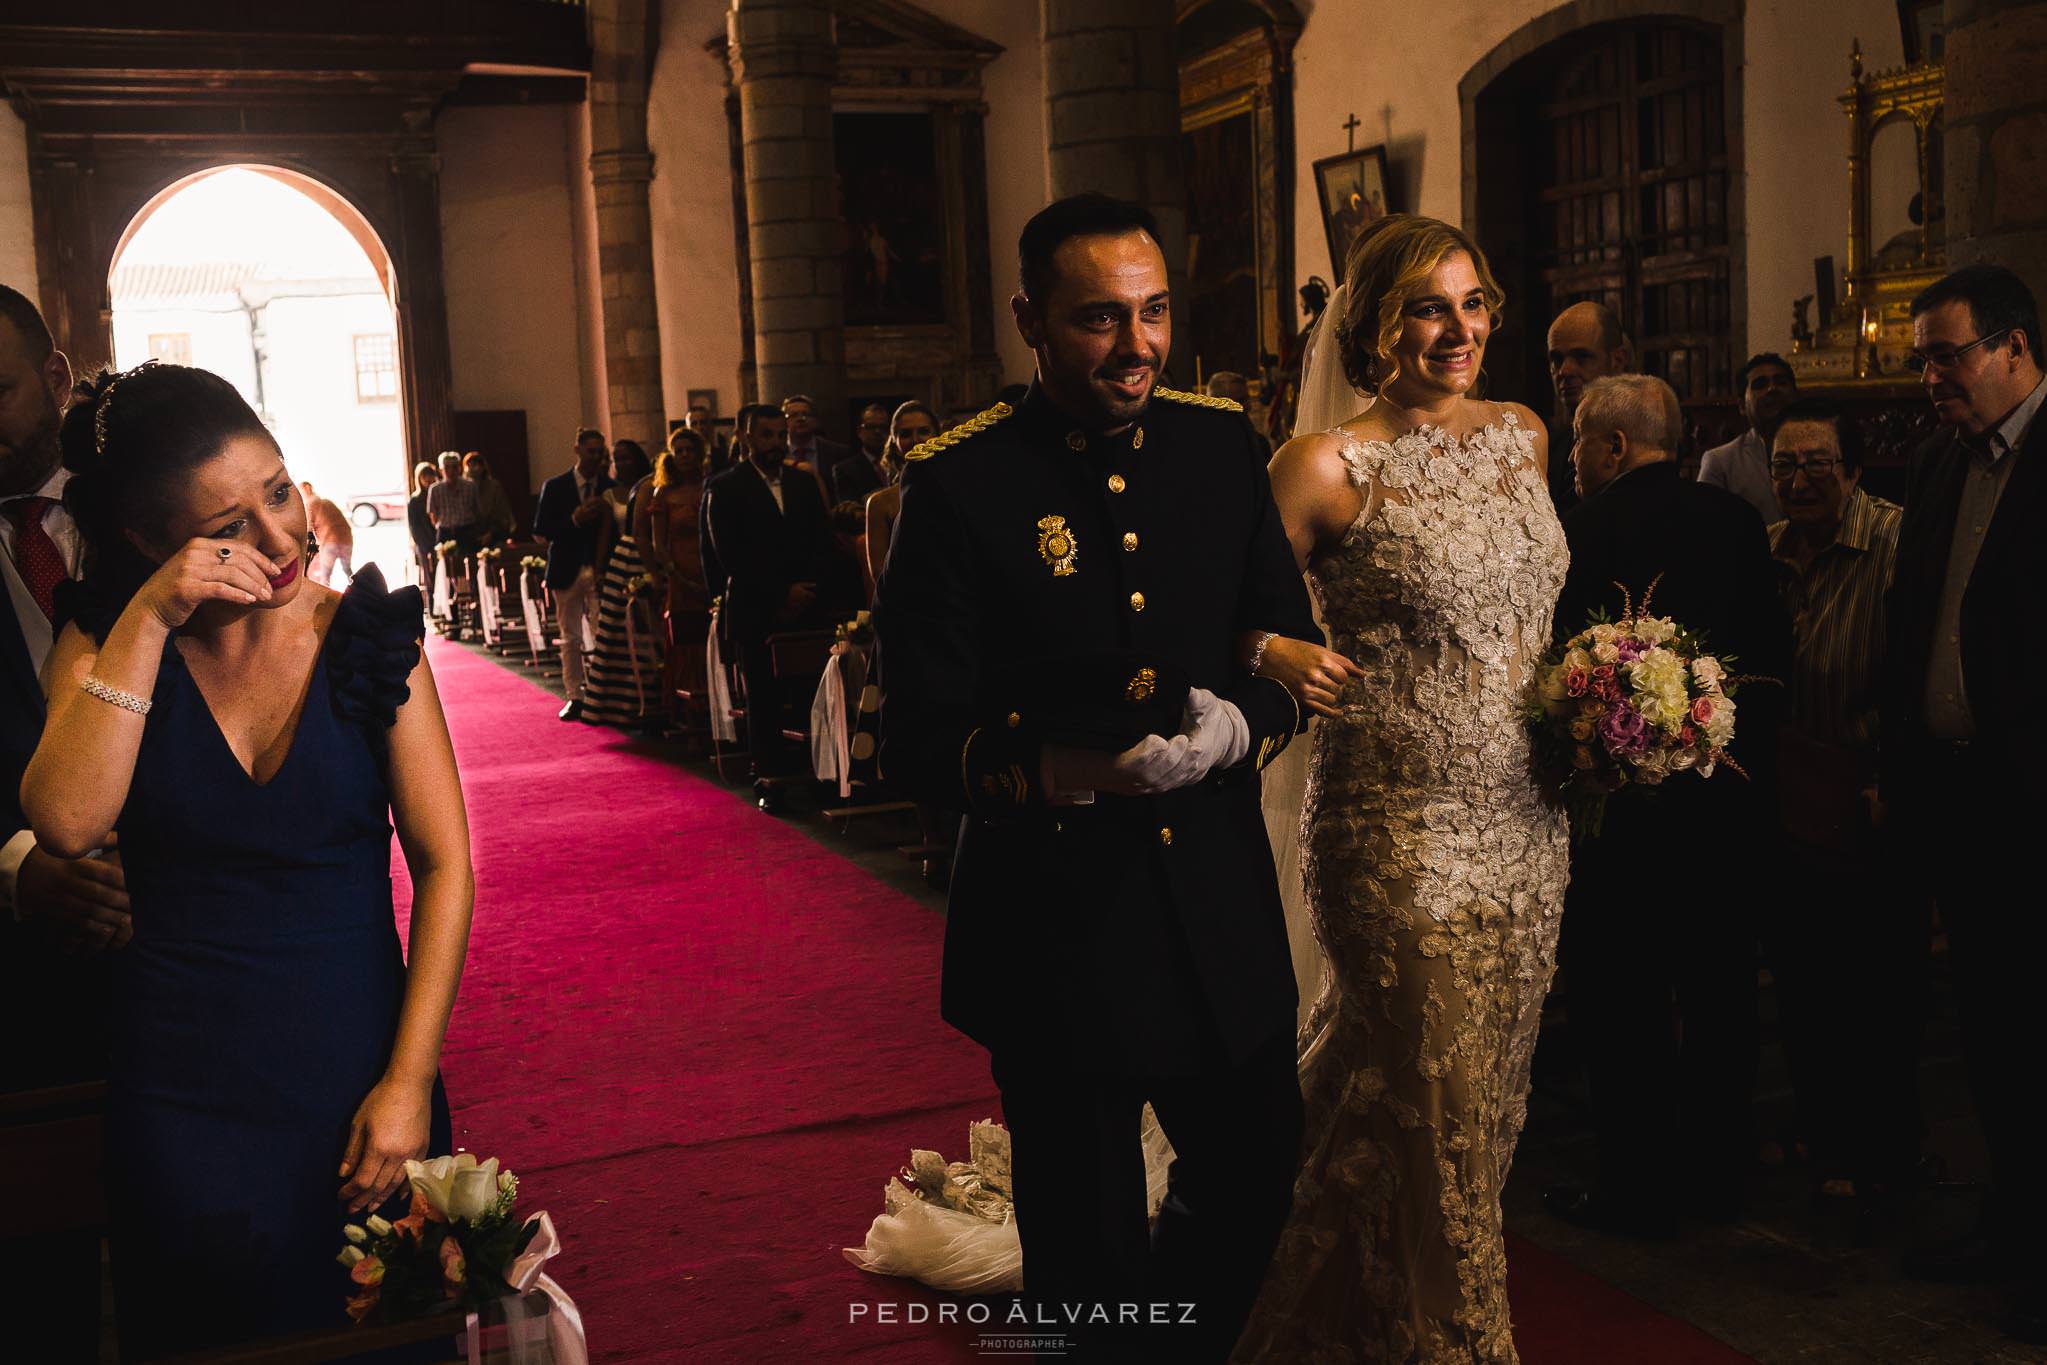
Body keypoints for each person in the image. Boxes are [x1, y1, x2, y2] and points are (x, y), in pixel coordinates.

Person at [876, 193, 1324, 1363]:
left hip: (1215, 913)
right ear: (1029, 320)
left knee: (1253, 1176)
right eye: (1098, 320)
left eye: (1154, 313)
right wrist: (1066, 769)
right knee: (1083, 1253)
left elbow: (1278, 642)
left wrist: (1240, 730)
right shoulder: (960, 484)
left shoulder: (1217, 446)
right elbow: (916, 738)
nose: (1136, 348)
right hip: (1056, 927)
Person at [22, 359, 471, 1356]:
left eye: (279, 492)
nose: (281, 542)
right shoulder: (103, 640)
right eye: (226, 530)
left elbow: (444, 866)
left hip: (361, 1072)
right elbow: (64, 819)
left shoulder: (364, 636)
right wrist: (145, 617)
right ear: (145, 541)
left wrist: (409, 1078)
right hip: (182, 1096)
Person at [1236, 213, 1568, 1362]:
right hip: (1396, 835)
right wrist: (1270, 651)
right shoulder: (1323, 463)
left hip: (1528, 824)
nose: (1458, 329)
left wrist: (1604, 703)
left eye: (1473, 304)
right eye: (1430, 306)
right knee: (1435, 1109)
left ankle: (1316, 1325)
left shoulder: (1522, 435)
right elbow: (1214, 608)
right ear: (1375, 321)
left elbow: (1523, 619)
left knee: (1454, 1105)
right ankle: (1461, 1346)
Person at [1543, 373, 1790, 1238]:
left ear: (1611, 446)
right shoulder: (1732, 522)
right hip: (1724, 808)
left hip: (1620, 821)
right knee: (1721, 991)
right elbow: (1769, 659)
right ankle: (1719, 1173)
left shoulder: (1579, 530)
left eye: (1576, 439)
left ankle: (1634, 1182)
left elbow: (1550, 684)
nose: (1570, 457)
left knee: (1622, 1001)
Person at [1883, 264, 2047, 1342]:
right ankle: (2016, 1227)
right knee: (1990, 1035)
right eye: (1924, 358)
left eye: (1948, 353)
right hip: (1959, 803)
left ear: (2016, 347)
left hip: (2036, 804)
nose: (1931, 376)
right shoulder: (1939, 463)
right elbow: (1914, 626)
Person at [0, 283, 122, 1357]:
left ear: (52, 380)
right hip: (16, 997)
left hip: (179, 948)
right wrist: (13, 868)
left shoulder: (145, 508)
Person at [1759, 397, 1919, 1210]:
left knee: (1876, 987)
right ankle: (1828, 1142)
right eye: (1783, 464)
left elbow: (1919, 667)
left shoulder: (1894, 539)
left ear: (1851, 469)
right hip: (1790, 801)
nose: (1798, 480)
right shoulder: (1769, 550)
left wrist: (1892, 776)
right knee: (1804, 984)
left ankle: (1886, 1149)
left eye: (1817, 462)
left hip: (1868, 793)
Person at [703, 402, 838, 802]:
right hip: (757, 607)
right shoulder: (725, 487)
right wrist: (781, 594)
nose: (776, 443)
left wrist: (805, 590)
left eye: (780, 435)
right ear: (745, 438)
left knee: (808, 693)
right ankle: (770, 778)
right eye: (767, 435)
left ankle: (817, 774)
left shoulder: (801, 484)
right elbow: (730, 554)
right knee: (762, 698)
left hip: (806, 604)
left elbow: (821, 541)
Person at [533, 428, 614, 722]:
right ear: (577, 449)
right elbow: (541, 531)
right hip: (566, 567)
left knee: (601, 632)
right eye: (590, 450)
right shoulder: (555, 487)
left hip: (599, 568)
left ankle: (601, 692)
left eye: (599, 452)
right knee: (570, 637)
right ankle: (575, 696)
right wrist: (574, 520)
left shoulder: (609, 485)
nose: (594, 457)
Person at [581, 438, 663, 729]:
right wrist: (600, 571)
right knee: (620, 636)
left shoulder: (650, 484)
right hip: (623, 563)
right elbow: (606, 534)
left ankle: (649, 702)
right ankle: (622, 707)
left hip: (645, 559)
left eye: (627, 457)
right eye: (617, 458)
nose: (622, 463)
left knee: (646, 635)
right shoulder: (612, 493)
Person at [1545, 299, 1633, 513]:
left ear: (1617, 360)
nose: (1564, 371)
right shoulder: (1550, 446)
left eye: (1581, 356)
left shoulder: (1642, 443)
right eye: (1557, 359)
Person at [648, 427, 711, 723]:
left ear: (700, 453)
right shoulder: (664, 493)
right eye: (679, 450)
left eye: (690, 450)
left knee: (711, 638)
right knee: (685, 639)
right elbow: (658, 545)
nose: (685, 455)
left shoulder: (710, 486)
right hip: (680, 575)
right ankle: (689, 711)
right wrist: (677, 575)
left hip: (709, 571)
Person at [1699, 353, 1799, 523]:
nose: (1772, 389)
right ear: (1741, 406)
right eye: (1760, 384)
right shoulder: (1721, 462)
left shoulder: (1822, 451)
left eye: (1781, 382)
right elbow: (1705, 526)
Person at [859, 399, 937, 596]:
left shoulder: (957, 490)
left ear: (939, 435)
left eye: (924, 431)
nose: (916, 440)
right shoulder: (879, 503)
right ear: (894, 442)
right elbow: (879, 573)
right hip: (903, 599)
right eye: (905, 434)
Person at [832, 401, 894, 504]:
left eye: (882, 427)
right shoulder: (845, 470)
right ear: (859, 431)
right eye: (870, 427)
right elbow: (850, 509)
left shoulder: (899, 464)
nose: (877, 432)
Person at [424, 449, 479, 557]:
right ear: (441, 470)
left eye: (454, 467)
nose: (451, 471)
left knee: (469, 564)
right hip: (445, 532)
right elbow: (432, 514)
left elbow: (476, 510)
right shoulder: (435, 489)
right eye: (447, 467)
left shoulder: (470, 486)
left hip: (466, 531)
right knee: (446, 568)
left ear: (459, 468)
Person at [300, 479, 354, 586]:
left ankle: (326, 600)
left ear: (305, 490)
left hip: (329, 542)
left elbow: (308, 527)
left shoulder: (310, 504)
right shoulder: (327, 502)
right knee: (348, 570)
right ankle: (359, 591)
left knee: (325, 576)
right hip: (346, 539)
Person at [464, 449, 516, 546]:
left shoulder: (494, 486)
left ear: (482, 467)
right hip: (471, 535)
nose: (471, 469)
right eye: (469, 465)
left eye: (475, 465)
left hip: (494, 533)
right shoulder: (464, 489)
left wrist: (491, 533)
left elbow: (502, 514)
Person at [407, 460, 439, 588]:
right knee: (429, 577)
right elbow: (414, 526)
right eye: (424, 476)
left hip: (440, 540)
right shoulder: (415, 500)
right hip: (424, 543)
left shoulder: (438, 494)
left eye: (430, 475)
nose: (427, 479)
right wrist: (424, 543)